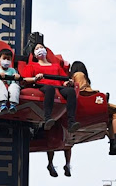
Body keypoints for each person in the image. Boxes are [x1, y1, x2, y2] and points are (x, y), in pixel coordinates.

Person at [22, 43, 79, 178]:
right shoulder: (32, 66)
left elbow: (63, 81)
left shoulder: (56, 67)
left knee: (70, 92)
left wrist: (68, 83)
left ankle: (72, 122)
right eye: (36, 49)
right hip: (42, 86)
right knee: (49, 89)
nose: (39, 50)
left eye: (41, 47)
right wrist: (37, 78)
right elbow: (26, 79)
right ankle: (48, 117)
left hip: (57, 86)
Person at [69, 60, 116, 156]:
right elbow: (83, 91)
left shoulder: (73, 77)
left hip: (80, 106)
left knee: (110, 119)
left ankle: (114, 145)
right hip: (86, 103)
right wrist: (99, 94)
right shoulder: (80, 74)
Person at [0, 48, 21, 113]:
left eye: (8, 59)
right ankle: (2, 104)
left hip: (9, 85)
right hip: (0, 84)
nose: (6, 61)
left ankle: (13, 105)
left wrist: (16, 78)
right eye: (4, 58)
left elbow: (14, 82)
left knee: (15, 86)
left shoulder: (12, 70)